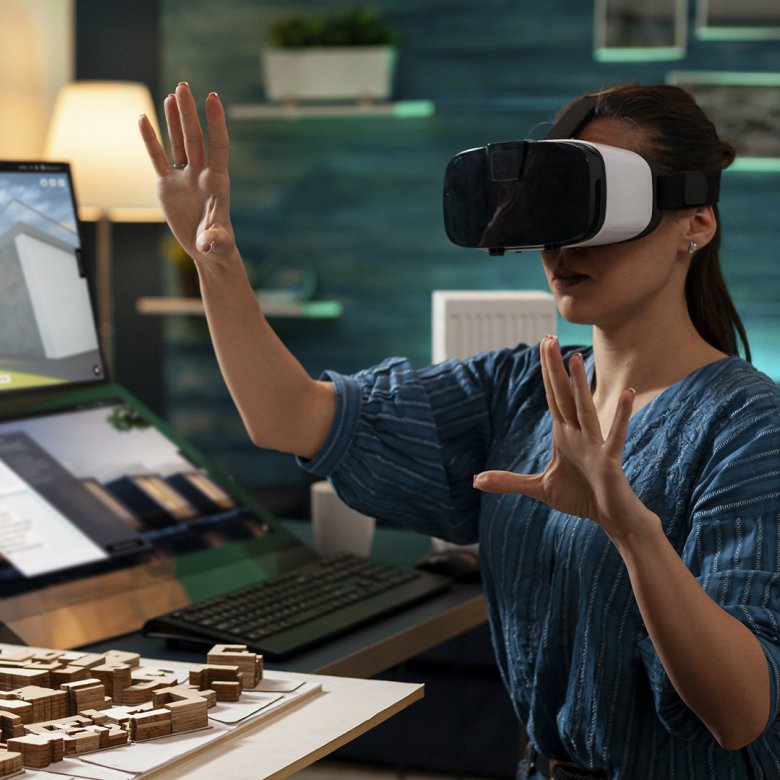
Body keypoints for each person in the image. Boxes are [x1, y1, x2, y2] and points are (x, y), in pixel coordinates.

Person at [139, 82, 780, 779]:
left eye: (598, 209)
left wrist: (631, 531)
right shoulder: (517, 390)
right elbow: (289, 416)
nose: (564, 244)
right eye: (555, 207)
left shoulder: (748, 427)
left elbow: (740, 714)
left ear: (697, 222)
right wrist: (215, 259)